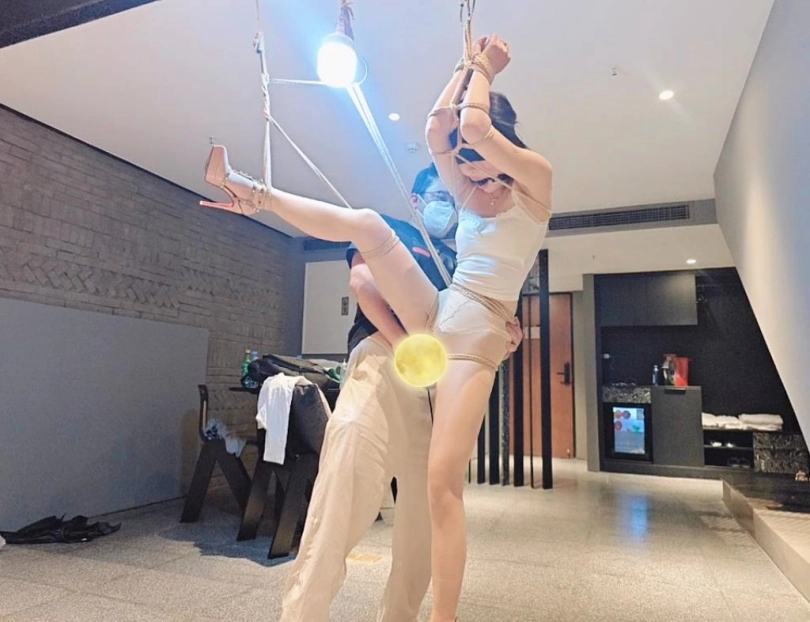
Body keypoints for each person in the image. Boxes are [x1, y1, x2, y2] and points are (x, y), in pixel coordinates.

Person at [200, 34, 551, 622]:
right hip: (436, 319)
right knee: (366, 223)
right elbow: (439, 127)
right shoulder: (462, 196)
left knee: (439, 487)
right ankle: (253, 193)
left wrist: (482, 68)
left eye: (470, 157)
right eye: (458, 162)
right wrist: (462, 68)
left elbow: (471, 127)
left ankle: (440, 617)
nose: (462, 170)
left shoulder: (535, 182)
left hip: (475, 339)